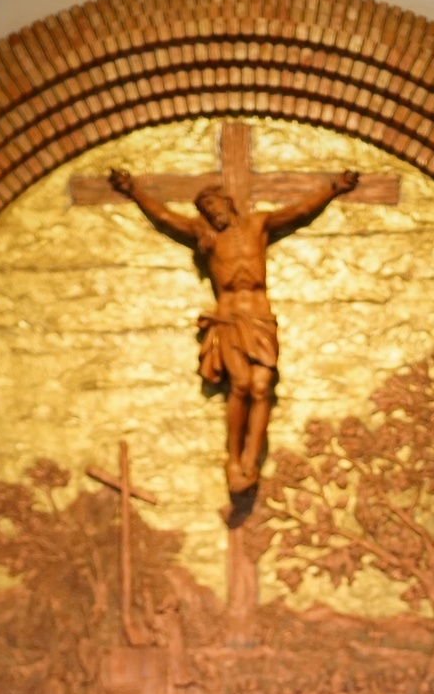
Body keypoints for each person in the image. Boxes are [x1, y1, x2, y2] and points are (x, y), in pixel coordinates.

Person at [109, 164, 359, 494]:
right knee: (240, 384)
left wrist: (334, 188)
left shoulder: (259, 225)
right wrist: (134, 190)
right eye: (205, 211)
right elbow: (166, 218)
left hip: (258, 318)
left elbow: (299, 210)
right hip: (228, 319)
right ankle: (233, 458)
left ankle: (250, 458)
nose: (212, 214)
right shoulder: (206, 237)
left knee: (261, 385)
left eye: (213, 206)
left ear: (227, 202)